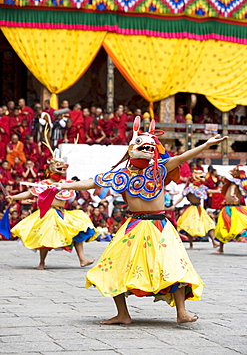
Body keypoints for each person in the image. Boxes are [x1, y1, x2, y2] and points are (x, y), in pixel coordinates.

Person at [56, 116, 227, 324]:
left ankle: (182, 312)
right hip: (134, 226)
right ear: (130, 149)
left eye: (150, 146)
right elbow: (92, 182)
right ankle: (123, 314)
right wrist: (65, 186)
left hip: (160, 225)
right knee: (115, 266)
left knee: (174, 266)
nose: (147, 149)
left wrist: (206, 145)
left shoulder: (160, 169)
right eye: (141, 145)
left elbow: (182, 158)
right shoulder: (121, 174)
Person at [7, 134, 98, 270]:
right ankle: (41, 263)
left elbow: (78, 188)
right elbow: (29, 193)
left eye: (63, 166)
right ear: (50, 167)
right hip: (48, 214)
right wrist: (13, 197)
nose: (62, 168)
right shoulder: (44, 184)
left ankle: (82, 259)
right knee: (45, 238)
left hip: (63, 213)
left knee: (79, 229)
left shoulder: (66, 183)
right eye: (58, 165)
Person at [172, 170, 220, 250]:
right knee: (190, 226)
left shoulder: (201, 188)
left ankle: (214, 242)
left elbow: (208, 191)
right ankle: (191, 245)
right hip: (192, 209)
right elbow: (182, 197)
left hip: (200, 208)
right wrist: (174, 204)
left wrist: (217, 191)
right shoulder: (190, 188)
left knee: (209, 224)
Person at [214, 166, 247, 253]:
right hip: (228, 207)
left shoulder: (235, 183)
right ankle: (220, 248)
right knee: (223, 227)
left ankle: (221, 249)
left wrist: (233, 195)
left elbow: (232, 191)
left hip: (233, 208)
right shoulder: (236, 183)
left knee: (229, 227)